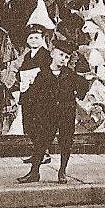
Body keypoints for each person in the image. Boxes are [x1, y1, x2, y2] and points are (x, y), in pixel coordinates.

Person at [17, 42, 90, 184]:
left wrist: (77, 95)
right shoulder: (43, 74)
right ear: (52, 54)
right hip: (48, 114)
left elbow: (83, 86)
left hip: (66, 114)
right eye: (61, 55)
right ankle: (34, 172)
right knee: (41, 142)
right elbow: (33, 94)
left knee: (66, 142)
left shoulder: (70, 75)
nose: (63, 59)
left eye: (67, 57)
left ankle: (62, 171)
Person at [18, 25, 52, 164]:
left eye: (37, 38)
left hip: (40, 95)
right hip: (27, 94)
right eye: (31, 38)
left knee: (39, 124)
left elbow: (47, 73)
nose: (33, 40)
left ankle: (44, 154)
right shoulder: (27, 56)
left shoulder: (46, 55)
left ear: (42, 39)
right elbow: (21, 71)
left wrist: (35, 77)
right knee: (29, 125)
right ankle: (38, 153)